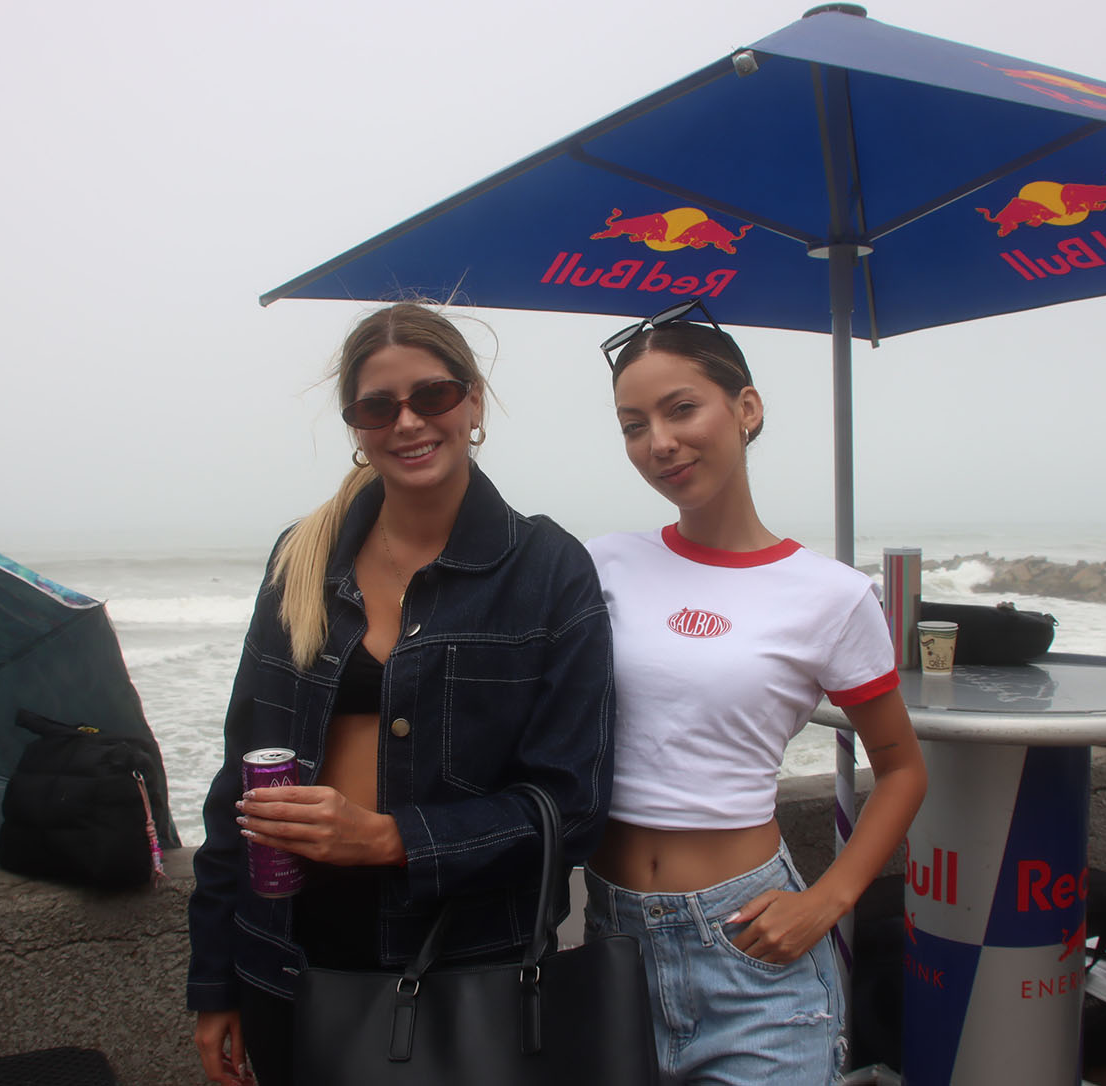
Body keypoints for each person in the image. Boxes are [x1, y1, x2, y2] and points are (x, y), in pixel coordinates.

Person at [186, 302, 616, 1086]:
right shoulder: (302, 557)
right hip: (287, 959)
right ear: (356, 425)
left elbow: (573, 807)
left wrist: (392, 840)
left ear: (473, 402)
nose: (408, 422)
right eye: (377, 406)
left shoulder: (549, 570)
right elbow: (237, 785)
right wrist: (215, 979)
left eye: (433, 395)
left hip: (467, 966)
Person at [582, 299, 928, 1085]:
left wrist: (829, 900)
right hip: (611, 948)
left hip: (747, 955)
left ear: (746, 409)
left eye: (680, 409)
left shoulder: (831, 596)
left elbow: (902, 770)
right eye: (633, 425)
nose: (658, 442)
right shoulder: (603, 565)